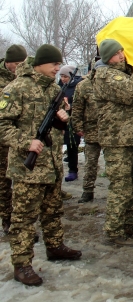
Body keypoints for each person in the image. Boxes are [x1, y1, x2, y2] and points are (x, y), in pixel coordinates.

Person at [0, 44, 82, 286]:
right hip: (29, 169)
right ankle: (22, 265)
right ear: (39, 65)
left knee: (52, 210)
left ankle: (55, 246)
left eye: (59, 65)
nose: (58, 68)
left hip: (53, 163)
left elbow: (54, 125)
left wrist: (62, 119)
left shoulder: (52, 88)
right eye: (54, 64)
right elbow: (2, 125)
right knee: (24, 218)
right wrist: (26, 142)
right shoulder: (17, 88)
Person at [93, 39, 133, 246]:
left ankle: (130, 224)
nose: (121, 55)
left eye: (122, 51)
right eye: (116, 53)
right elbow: (130, 92)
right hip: (118, 141)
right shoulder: (105, 75)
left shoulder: (125, 72)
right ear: (106, 57)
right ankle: (114, 231)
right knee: (120, 186)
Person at [0, 44, 26, 233]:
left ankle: (20, 220)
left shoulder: (24, 80)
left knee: (21, 181)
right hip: (3, 139)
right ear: (7, 63)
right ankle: (7, 218)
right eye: (16, 63)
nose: (19, 67)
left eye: (22, 63)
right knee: (3, 182)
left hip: (21, 138)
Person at [72, 61, 101, 203]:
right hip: (91, 130)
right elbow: (77, 108)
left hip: (111, 131)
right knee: (90, 163)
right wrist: (77, 126)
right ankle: (88, 190)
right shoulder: (83, 86)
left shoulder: (109, 82)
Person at [58, 65, 82, 182]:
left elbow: (81, 104)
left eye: (65, 76)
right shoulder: (58, 87)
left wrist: (70, 106)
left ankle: (73, 170)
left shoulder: (78, 86)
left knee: (72, 146)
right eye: (61, 76)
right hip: (60, 119)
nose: (63, 79)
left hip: (73, 120)